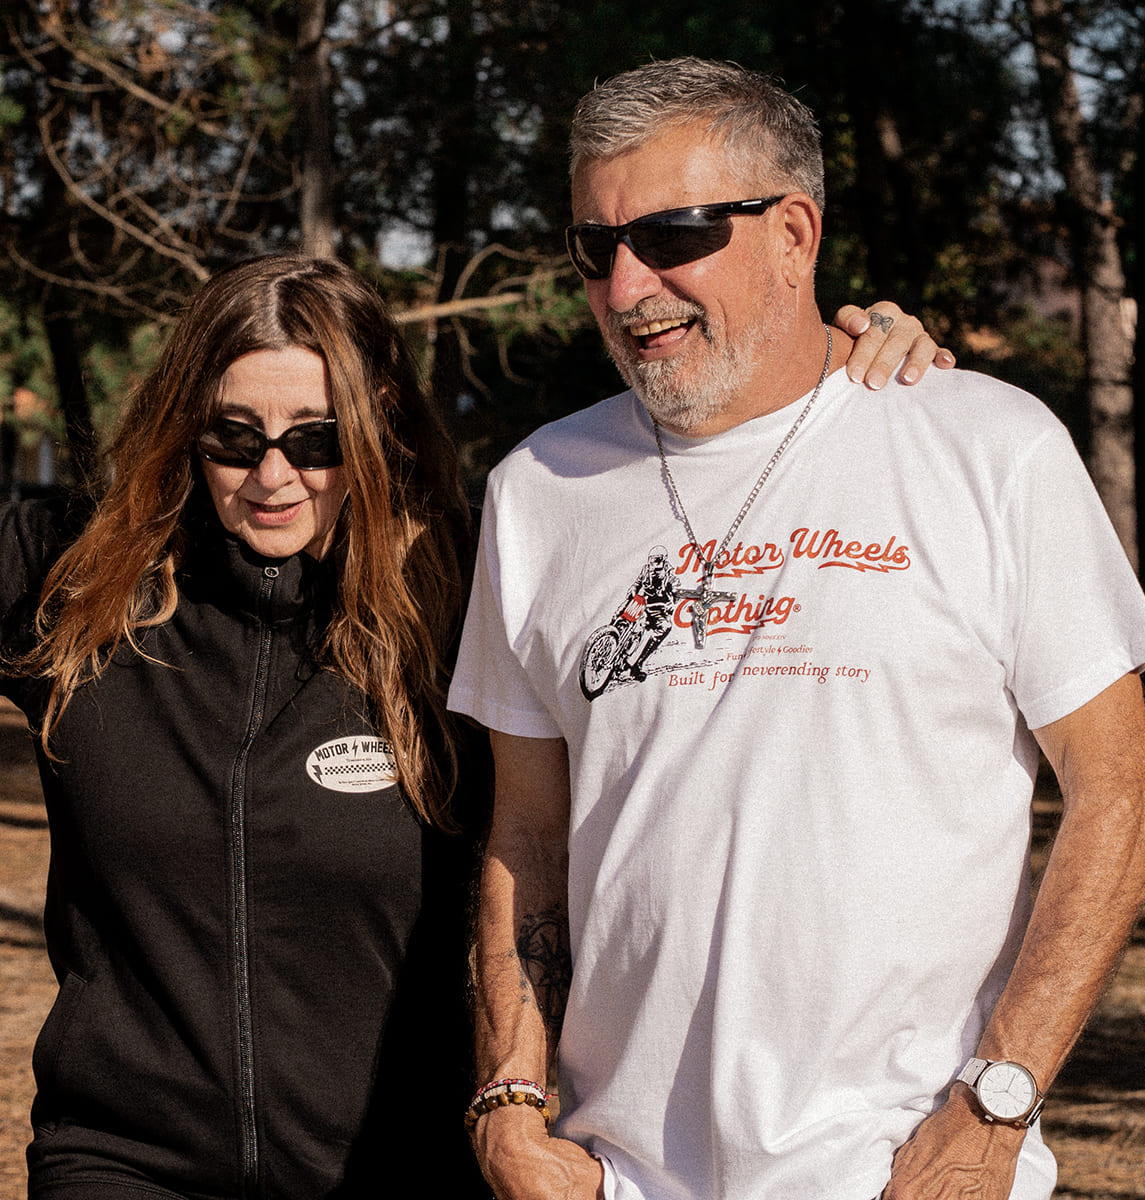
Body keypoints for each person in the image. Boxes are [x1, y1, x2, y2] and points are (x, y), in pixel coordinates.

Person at [1, 251, 941, 1198]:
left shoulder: (469, 596)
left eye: (318, 439)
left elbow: (709, 538)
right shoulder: (80, 586)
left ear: (380, 428)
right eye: (233, 437)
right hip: (122, 1164)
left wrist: (825, 372)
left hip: (410, 1168)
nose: (272, 475)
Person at [447, 58, 1145, 1200]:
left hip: (907, 1173)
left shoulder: (986, 446)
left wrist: (994, 1110)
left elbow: (1123, 802)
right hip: (617, 1179)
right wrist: (507, 1101)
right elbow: (528, 837)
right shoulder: (536, 491)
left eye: (674, 235)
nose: (629, 286)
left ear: (794, 234)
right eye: (597, 246)